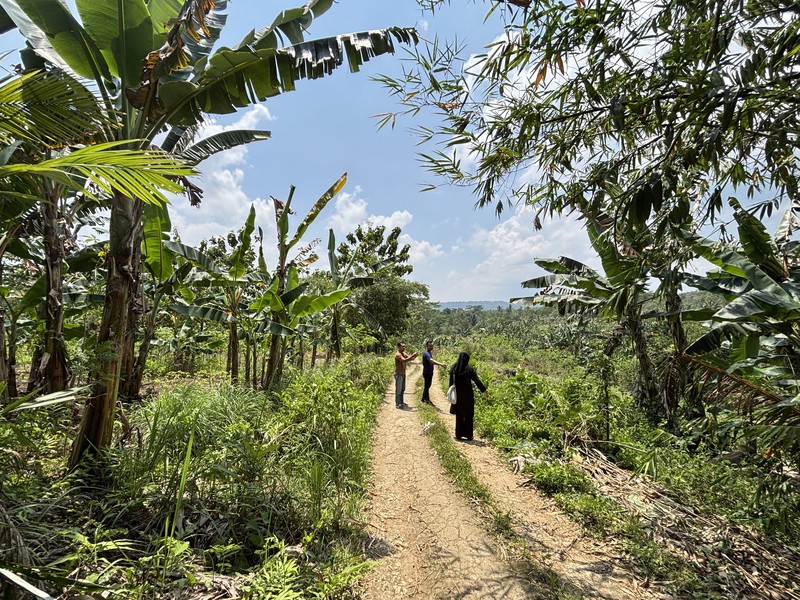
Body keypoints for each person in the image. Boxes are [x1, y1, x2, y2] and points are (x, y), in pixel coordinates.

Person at [448, 351, 486, 440]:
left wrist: (450, 393)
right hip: (468, 395)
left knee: (459, 414)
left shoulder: (454, 367)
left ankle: (459, 434)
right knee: (469, 414)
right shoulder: (469, 369)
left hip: (458, 395)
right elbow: (477, 380)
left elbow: (451, 382)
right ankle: (469, 435)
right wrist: (484, 390)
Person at [394, 342, 418, 409]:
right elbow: (404, 360)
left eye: (404, 346)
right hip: (399, 374)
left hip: (403, 373)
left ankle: (401, 402)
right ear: (398, 347)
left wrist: (415, 356)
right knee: (398, 390)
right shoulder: (398, 354)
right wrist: (413, 355)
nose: (404, 348)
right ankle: (398, 403)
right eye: (402, 346)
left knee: (402, 389)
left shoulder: (403, 354)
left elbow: (410, 359)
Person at [421, 339, 445, 405]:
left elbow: (431, 362)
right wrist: (441, 364)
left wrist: (437, 364)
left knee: (428, 385)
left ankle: (423, 398)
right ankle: (427, 399)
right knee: (427, 386)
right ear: (427, 346)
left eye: (432, 346)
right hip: (427, 372)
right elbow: (431, 361)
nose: (431, 347)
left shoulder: (429, 352)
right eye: (430, 346)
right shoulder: (426, 353)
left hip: (429, 372)